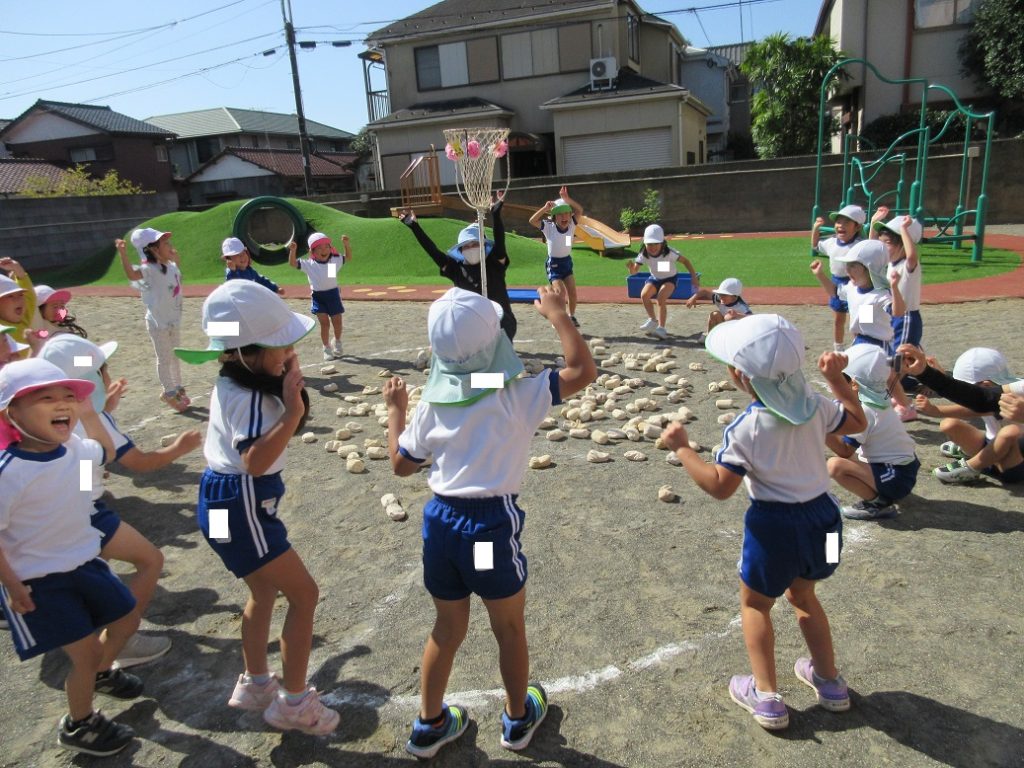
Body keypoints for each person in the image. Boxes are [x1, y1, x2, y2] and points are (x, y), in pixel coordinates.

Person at [384, 286, 596, 758]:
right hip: (486, 532)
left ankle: (429, 725)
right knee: (508, 627)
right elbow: (583, 370)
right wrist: (559, 316)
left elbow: (400, 464)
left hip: (441, 526)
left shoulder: (433, 404)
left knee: (446, 628)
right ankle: (518, 719)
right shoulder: (517, 395)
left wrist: (396, 413)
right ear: (497, 339)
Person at [661, 314, 866, 731]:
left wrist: (683, 449)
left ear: (740, 376)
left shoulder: (747, 427)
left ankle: (767, 696)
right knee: (805, 596)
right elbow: (858, 424)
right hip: (826, 523)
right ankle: (830, 683)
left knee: (756, 604)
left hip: (774, 529)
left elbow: (720, 487)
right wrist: (837, 381)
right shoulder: (817, 404)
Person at [174, 280, 338, 734]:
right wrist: (291, 412)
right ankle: (294, 704)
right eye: (282, 346)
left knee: (263, 591)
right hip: (241, 501)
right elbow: (255, 460)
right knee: (304, 595)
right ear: (247, 352)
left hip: (217, 502)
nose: (290, 352)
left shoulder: (234, 379)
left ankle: (256, 683)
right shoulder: (249, 394)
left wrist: (287, 379)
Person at [0, 358, 144, 756]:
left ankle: (100, 674)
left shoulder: (74, 450)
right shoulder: (9, 472)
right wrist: (11, 585)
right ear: (11, 413)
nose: (63, 404)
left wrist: (91, 414)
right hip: (39, 582)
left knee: (128, 618)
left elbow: (104, 455)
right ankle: (80, 724)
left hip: (84, 561)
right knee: (86, 653)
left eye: (69, 397)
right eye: (46, 399)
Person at [38, 335, 201, 667]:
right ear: (91, 380)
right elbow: (140, 463)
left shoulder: (47, 414)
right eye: (102, 371)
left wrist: (105, 406)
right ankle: (120, 641)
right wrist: (178, 449)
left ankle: (92, 631)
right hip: (84, 513)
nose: (108, 375)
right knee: (150, 561)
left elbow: (82, 453)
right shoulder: (95, 420)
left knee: (95, 573)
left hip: (55, 512)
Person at [401, 193, 517, 340]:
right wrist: (414, 227)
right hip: (472, 326)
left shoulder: (495, 263)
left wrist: (496, 214)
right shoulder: (456, 269)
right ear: (460, 251)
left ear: (484, 246)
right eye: (466, 246)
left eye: (475, 244)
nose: (471, 248)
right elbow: (433, 251)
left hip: (502, 324)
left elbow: (500, 241)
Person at [825, 345, 919, 520]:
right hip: (901, 469)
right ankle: (882, 490)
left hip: (897, 475)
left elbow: (844, 450)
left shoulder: (866, 410)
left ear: (854, 384)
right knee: (852, 456)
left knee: (835, 466)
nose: (835, 385)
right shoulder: (877, 397)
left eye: (840, 379)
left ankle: (877, 503)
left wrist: (821, 426)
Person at [912, 347, 1024, 485]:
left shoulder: (1015, 394)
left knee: (1010, 432)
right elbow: (980, 403)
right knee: (949, 424)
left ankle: (972, 467)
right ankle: (972, 452)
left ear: (986, 384)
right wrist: (935, 409)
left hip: (1013, 462)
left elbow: (977, 402)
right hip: (990, 445)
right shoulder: (1013, 388)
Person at [116, 230, 189, 413]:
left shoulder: (170, 266)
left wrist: (174, 256)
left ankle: (178, 388)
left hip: (173, 320)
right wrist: (123, 254)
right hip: (158, 322)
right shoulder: (149, 269)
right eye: (165, 244)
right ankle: (169, 392)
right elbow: (132, 275)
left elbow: (176, 270)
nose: (170, 246)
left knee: (176, 355)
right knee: (164, 358)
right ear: (153, 250)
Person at [872, 208, 925, 410]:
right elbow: (870, 250)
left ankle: (894, 397)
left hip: (906, 318)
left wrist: (903, 229)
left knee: (898, 358)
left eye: (887, 243)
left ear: (902, 243)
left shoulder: (907, 266)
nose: (882, 248)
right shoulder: (890, 264)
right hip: (891, 315)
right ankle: (908, 380)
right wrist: (874, 222)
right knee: (894, 355)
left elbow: (911, 256)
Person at [627, 224, 698, 340]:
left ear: (662, 243)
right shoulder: (643, 254)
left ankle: (661, 329)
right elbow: (634, 272)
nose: (653, 247)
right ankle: (652, 320)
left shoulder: (669, 253)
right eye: (649, 244)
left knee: (660, 299)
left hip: (670, 279)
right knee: (644, 295)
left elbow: (686, 261)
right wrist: (631, 269)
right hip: (655, 278)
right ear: (644, 243)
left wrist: (694, 277)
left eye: (656, 243)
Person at [811, 204, 866, 351]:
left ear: (857, 227)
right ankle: (838, 347)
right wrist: (816, 228)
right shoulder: (831, 243)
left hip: (859, 284)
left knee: (864, 321)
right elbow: (815, 245)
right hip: (837, 282)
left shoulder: (860, 245)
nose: (840, 225)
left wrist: (873, 222)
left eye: (846, 222)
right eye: (838, 221)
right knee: (838, 319)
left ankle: (864, 345)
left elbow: (872, 244)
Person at [289, 232, 350, 361]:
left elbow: (347, 258)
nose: (324, 250)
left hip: (333, 295)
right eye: (320, 248)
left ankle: (337, 341)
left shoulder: (333, 261)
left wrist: (346, 244)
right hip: (318, 297)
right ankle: (326, 348)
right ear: (312, 251)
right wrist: (293, 251)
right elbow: (293, 263)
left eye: (327, 247)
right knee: (325, 324)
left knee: (337, 322)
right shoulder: (309, 265)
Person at [529, 186, 584, 327]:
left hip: (567, 263)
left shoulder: (572, 225)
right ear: (554, 217)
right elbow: (532, 221)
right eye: (560, 214)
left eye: (566, 213)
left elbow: (580, 210)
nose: (564, 216)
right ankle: (560, 318)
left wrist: (567, 199)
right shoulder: (549, 227)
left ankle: (571, 316)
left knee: (572, 292)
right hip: (554, 265)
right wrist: (544, 208)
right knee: (560, 292)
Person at [685, 277, 752, 334]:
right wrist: (693, 298)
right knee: (715, 314)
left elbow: (752, 318)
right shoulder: (719, 298)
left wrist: (737, 315)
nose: (721, 297)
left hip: (737, 331)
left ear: (734, 296)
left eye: (724, 295)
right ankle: (709, 335)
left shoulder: (742, 307)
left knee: (729, 317)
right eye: (720, 294)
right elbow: (704, 292)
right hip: (724, 326)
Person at [0, 257, 38, 352]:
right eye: (10, 296)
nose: (19, 299)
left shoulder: (25, 318)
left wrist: (17, 268)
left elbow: (30, 295)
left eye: (21, 294)